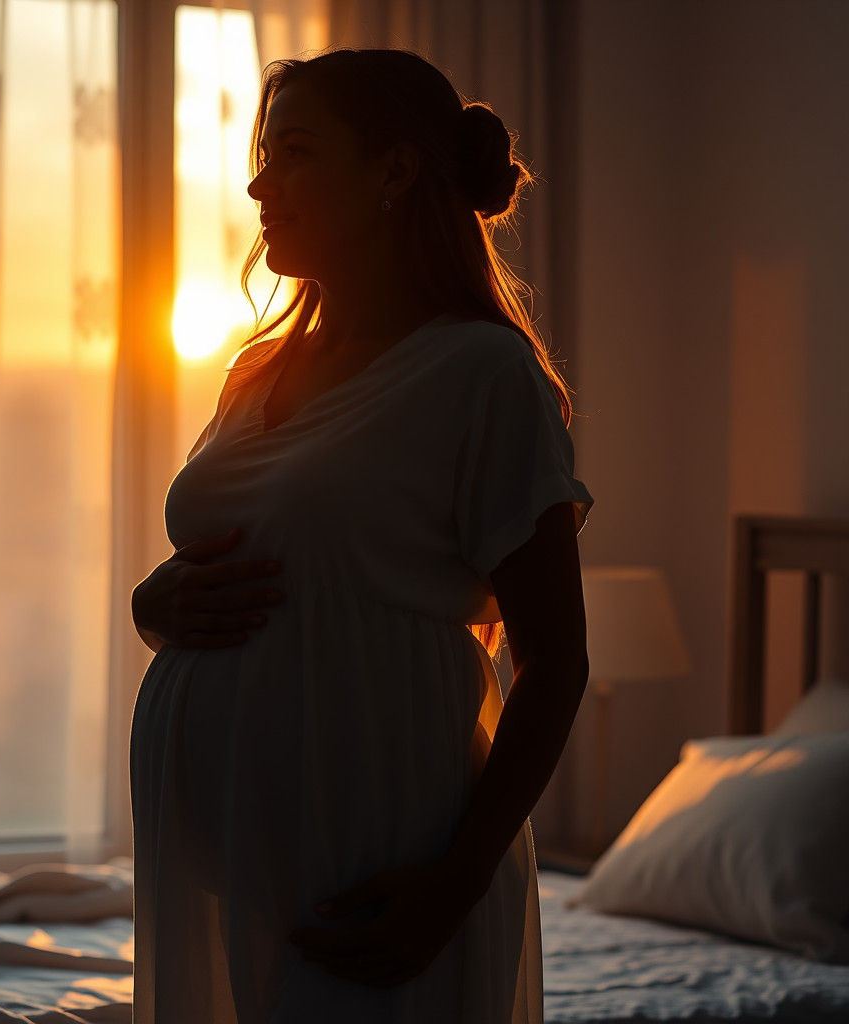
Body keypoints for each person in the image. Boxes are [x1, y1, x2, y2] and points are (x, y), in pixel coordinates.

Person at [129, 46, 593, 1024]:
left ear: (393, 171)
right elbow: (251, 561)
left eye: (293, 152)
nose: (259, 183)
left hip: (381, 859)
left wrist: (448, 889)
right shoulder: (254, 369)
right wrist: (150, 601)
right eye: (262, 153)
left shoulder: (482, 377)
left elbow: (555, 663)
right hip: (232, 872)